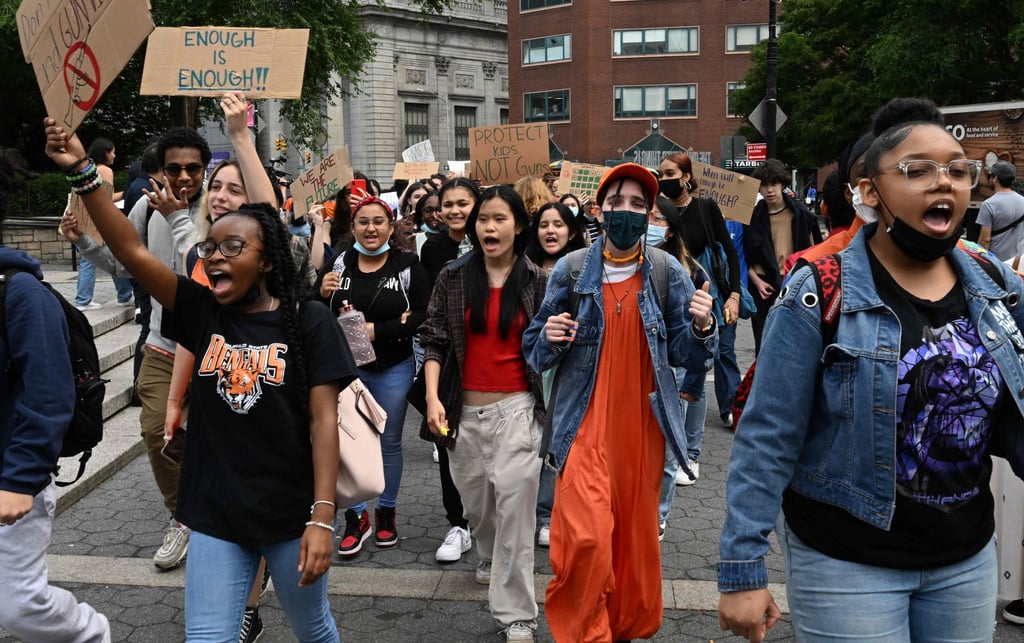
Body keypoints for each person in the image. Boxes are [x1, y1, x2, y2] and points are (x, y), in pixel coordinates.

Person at [718, 97, 1024, 643]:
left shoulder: (992, 280)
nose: (944, 182)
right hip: (848, 564)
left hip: (966, 559)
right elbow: (768, 433)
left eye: (958, 169)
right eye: (917, 169)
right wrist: (743, 567)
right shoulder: (817, 290)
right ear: (869, 193)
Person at [46, 120, 355, 642]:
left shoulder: (308, 321)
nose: (214, 257)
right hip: (214, 510)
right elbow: (132, 252)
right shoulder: (202, 310)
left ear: (265, 261)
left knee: (312, 628)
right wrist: (82, 172)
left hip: (290, 511)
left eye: (232, 248)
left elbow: (326, 421)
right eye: (210, 248)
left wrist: (322, 518)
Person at [523, 163, 715, 641]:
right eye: (617, 202)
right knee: (585, 538)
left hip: (640, 427)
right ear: (599, 209)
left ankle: (622, 627)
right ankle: (588, 633)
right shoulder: (570, 270)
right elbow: (534, 348)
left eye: (637, 204)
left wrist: (703, 326)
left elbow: (691, 355)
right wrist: (547, 335)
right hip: (583, 422)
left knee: (632, 544)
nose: (626, 212)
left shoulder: (667, 272)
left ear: (650, 214)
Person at [66, 125, 210, 571]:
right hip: (163, 345)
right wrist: (85, 243)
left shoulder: (222, 207)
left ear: (205, 170)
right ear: (159, 171)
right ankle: (183, 517)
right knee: (155, 433)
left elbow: (210, 278)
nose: (183, 177)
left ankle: (225, 523)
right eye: (174, 168)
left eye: (193, 168)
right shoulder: (146, 209)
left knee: (219, 441)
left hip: (215, 353)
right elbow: (124, 263)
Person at [421, 185, 548, 642]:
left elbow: (549, 349)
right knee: (480, 511)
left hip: (518, 410)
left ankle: (517, 616)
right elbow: (433, 338)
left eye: (499, 219)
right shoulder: (453, 276)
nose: (489, 227)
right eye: (483, 220)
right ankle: (488, 553)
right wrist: (433, 398)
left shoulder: (538, 280)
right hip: (460, 412)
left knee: (516, 511)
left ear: (518, 225)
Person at [0, 150, 112, 643]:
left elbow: (48, 396)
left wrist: (20, 480)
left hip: (11, 475)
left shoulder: (21, 291)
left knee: (20, 604)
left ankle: (90, 633)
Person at [318, 196, 428, 558]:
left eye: (378, 221)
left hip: (392, 366)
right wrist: (321, 291)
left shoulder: (407, 264)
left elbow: (423, 315)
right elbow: (316, 311)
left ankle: (386, 513)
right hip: (347, 371)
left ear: (391, 225)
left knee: (389, 441)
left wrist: (376, 331)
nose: (370, 228)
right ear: (352, 228)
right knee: (348, 443)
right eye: (363, 222)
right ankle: (356, 517)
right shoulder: (339, 262)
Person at [659, 151, 743, 429]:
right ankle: (684, 413)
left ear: (686, 177)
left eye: (670, 174)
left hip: (713, 295)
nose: (665, 180)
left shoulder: (706, 207)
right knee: (694, 356)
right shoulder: (659, 213)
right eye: (661, 175)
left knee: (725, 351)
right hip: (677, 298)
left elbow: (729, 252)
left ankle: (731, 406)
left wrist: (734, 295)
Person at [418, 177, 478, 563]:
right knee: (447, 438)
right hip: (449, 358)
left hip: (492, 360)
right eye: (448, 204)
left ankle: (488, 523)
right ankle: (457, 524)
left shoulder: (499, 240)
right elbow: (429, 310)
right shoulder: (435, 248)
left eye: (463, 203)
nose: (455, 211)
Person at [647, 195, 712, 541]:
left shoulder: (688, 272)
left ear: (671, 229)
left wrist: (702, 325)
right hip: (635, 376)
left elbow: (693, 345)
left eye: (658, 219)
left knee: (670, 452)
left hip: (670, 373)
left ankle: (658, 516)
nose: (650, 225)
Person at [523, 201, 586, 547]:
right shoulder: (524, 269)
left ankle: (557, 513)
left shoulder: (585, 269)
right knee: (539, 443)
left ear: (572, 231)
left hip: (570, 369)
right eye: (544, 224)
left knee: (562, 439)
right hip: (532, 364)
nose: (551, 231)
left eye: (559, 224)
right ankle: (539, 513)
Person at [744, 158, 823, 353]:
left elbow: (815, 252)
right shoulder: (752, 217)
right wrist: (757, 282)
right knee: (763, 343)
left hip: (795, 280)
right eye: (764, 185)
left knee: (796, 341)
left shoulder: (801, 215)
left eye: (774, 184)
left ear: (782, 183)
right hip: (764, 285)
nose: (770, 190)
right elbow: (744, 254)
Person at [72, 137, 135, 311]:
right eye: (112, 151)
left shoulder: (88, 168)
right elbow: (106, 199)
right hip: (96, 220)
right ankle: (83, 300)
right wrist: (126, 193)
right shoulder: (105, 170)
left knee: (105, 256)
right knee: (91, 260)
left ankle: (124, 295)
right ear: (105, 152)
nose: (114, 155)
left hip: (83, 218)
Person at [977, 160, 1024, 261]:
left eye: (990, 176)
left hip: (997, 263)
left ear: (995, 179)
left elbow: (985, 240)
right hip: (1018, 262)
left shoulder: (988, 205)